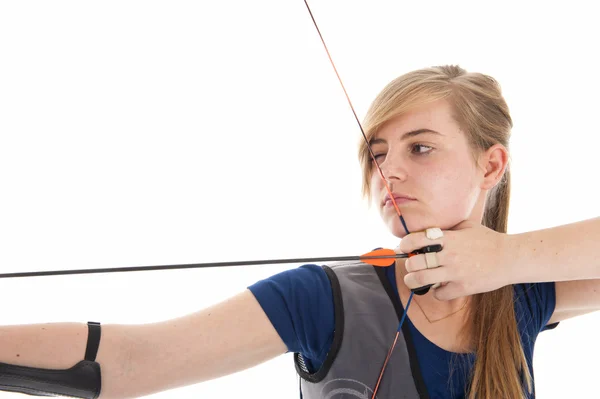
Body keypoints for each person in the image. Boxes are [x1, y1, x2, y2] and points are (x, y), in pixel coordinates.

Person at [0, 65, 598, 399]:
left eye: (420, 148)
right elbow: (134, 360)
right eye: (377, 153)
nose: (389, 171)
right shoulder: (326, 298)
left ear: (490, 165)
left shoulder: (523, 293)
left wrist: (507, 259)